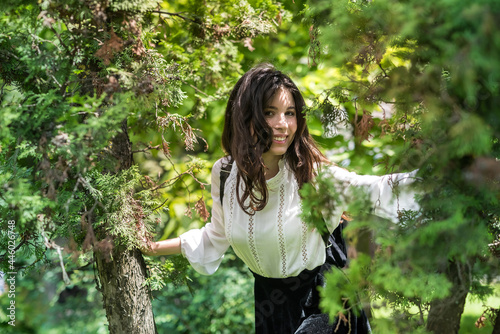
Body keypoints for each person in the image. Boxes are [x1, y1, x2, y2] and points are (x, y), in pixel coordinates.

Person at [142, 63, 419, 333]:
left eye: (290, 113)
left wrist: (444, 176)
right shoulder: (225, 173)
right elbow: (215, 236)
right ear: (246, 116)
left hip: (325, 304)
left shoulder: (314, 175)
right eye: (269, 112)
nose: (282, 124)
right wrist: (150, 247)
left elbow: (376, 189)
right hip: (269, 309)